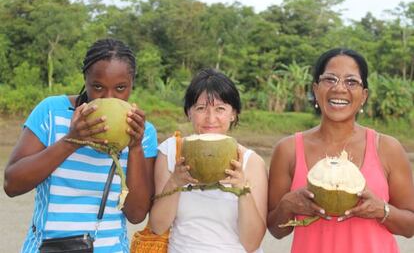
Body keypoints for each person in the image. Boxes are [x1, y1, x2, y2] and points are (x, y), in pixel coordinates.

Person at [3, 38, 158, 252]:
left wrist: (135, 148)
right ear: (85, 79)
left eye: (121, 88)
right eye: (98, 87)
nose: (109, 97)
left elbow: (136, 214)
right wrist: (71, 141)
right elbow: (12, 185)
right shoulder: (51, 112)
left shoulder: (142, 131)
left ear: (132, 83)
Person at [267, 48, 414, 253]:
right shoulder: (288, 150)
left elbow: (410, 226)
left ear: (364, 96)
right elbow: (275, 230)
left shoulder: (388, 148)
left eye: (351, 82)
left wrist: (381, 210)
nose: (339, 88)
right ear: (316, 89)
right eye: (330, 79)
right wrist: (287, 206)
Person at [149, 68, 268, 252]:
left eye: (220, 108)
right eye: (201, 108)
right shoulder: (171, 151)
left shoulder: (251, 162)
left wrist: (243, 190)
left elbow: (252, 243)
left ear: (233, 113)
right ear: (189, 112)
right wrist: (175, 182)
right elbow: (158, 226)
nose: (211, 119)